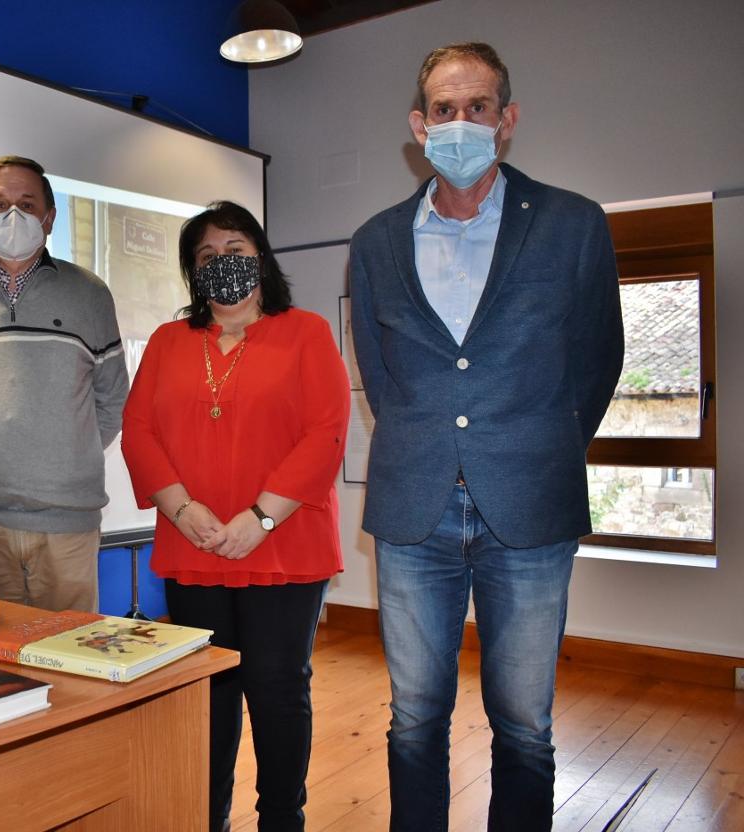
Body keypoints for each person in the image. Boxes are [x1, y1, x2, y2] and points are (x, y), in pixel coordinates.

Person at [348, 43, 625, 831]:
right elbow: (380, 372)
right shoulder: (376, 240)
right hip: (414, 511)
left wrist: (539, 445)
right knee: (414, 717)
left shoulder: (573, 224)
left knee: (525, 724)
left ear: (507, 120)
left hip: (531, 506)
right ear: (418, 123)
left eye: (477, 108)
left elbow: (599, 359)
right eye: (444, 109)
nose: (459, 122)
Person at [121, 201, 351, 831]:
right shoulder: (170, 342)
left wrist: (261, 518)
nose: (223, 263)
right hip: (192, 543)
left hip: (283, 545)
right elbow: (138, 430)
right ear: (191, 271)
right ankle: (207, 819)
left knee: (276, 690)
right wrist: (181, 506)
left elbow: (326, 433)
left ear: (262, 259)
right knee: (209, 696)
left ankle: (282, 819)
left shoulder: (305, 331)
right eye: (207, 255)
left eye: (237, 249)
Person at [0, 156, 129, 613]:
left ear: (49, 218)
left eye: (27, 204)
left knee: (72, 662)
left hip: (67, 522)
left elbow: (112, 397)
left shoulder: (90, 294)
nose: (12, 215)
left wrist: (67, 454)